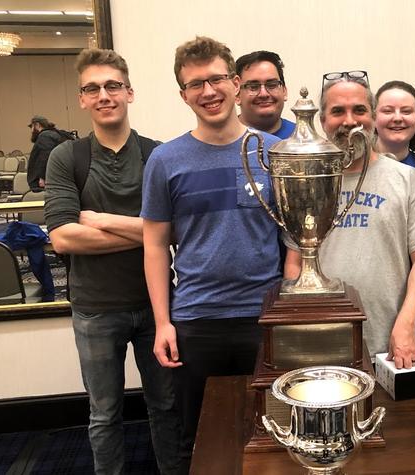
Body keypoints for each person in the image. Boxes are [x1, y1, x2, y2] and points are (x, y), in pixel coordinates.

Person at [141, 36, 284, 470]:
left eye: (217, 78)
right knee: (197, 435)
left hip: (263, 318)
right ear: (183, 94)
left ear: (236, 83)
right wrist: (163, 323)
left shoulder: (272, 153)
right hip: (196, 321)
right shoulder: (166, 160)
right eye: (195, 84)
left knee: (272, 431)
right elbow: (153, 246)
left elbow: (294, 237)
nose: (208, 91)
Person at [44, 48, 181, 474]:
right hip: (94, 310)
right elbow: (63, 238)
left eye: (112, 86)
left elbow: (176, 233)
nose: (104, 95)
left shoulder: (159, 154)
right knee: (104, 415)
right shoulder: (67, 158)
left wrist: (102, 220)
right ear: (82, 98)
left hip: (157, 306)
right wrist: (145, 232)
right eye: (92, 88)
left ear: (129, 93)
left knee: (167, 407)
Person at [285, 71, 415, 369]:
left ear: (372, 116)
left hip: (390, 341)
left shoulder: (407, 179)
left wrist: (406, 325)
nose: (349, 121)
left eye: (359, 110)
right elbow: (294, 261)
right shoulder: (306, 181)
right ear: (322, 121)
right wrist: (302, 323)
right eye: (337, 111)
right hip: (322, 338)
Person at [234, 50, 294, 138]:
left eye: (272, 85)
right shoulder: (222, 139)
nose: (263, 94)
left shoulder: (302, 138)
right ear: (237, 95)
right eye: (253, 87)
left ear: (284, 91)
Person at [374, 80, 415, 177]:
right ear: (373, 118)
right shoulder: (355, 165)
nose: (397, 118)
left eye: (406, 111)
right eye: (388, 111)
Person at [27, 115, 61, 191]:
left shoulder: (45, 136)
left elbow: (46, 157)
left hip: (46, 182)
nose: (31, 131)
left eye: (32, 127)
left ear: (37, 125)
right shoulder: (52, 134)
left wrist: (43, 177)